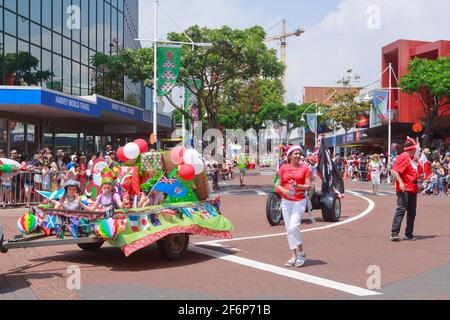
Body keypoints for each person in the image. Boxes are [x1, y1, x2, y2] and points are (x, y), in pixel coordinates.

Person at [275, 145, 311, 268]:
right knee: (289, 229)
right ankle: (293, 256)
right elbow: (277, 184)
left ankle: (301, 253)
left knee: (294, 226)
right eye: (295, 154)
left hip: (299, 201)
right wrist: (284, 191)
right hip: (286, 201)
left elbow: (309, 186)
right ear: (289, 155)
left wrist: (297, 186)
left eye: (299, 154)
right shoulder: (283, 168)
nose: (298, 156)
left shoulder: (305, 168)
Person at [390, 137, 421, 242]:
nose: (418, 152)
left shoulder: (413, 160)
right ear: (412, 149)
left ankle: (409, 233)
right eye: (417, 150)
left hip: (413, 188)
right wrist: (401, 183)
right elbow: (394, 171)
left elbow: (413, 173)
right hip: (405, 188)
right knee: (401, 210)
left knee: (412, 212)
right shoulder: (404, 156)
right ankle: (394, 233)